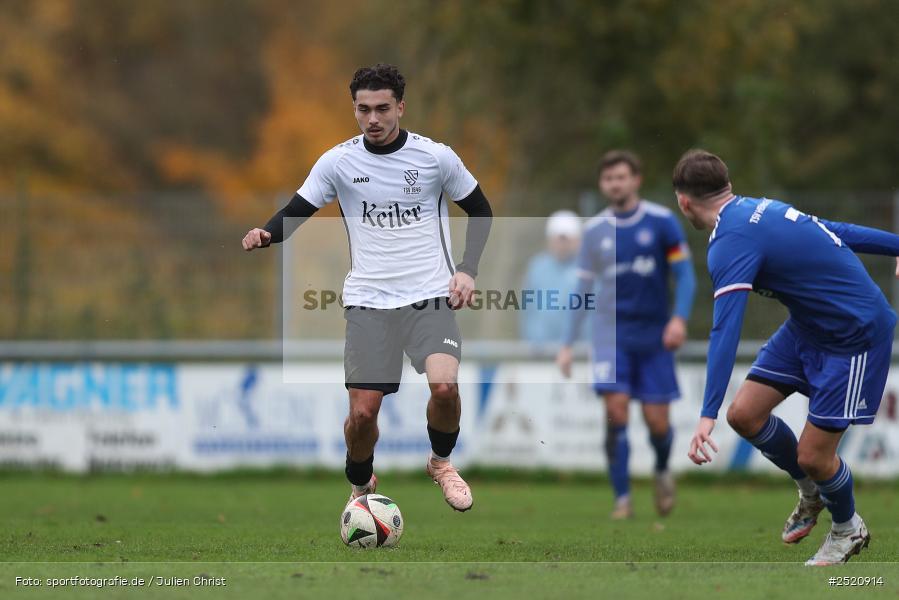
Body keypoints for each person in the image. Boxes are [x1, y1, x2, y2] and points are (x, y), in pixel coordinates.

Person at [241, 64, 492, 512]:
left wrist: (467, 269)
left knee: (444, 388)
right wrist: (267, 233)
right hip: (369, 302)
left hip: (430, 296)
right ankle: (360, 483)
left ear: (401, 107)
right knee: (362, 415)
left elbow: (481, 209)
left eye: (382, 108)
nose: (372, 119)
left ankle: (441, 463)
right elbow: (297, 209)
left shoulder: (435, 157)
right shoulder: (338, 162)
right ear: (354, 109)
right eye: (363, 109)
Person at [675, 149, 898, 565]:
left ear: (683, 202)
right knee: (744, 415)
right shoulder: (761, 208)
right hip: (808, 327)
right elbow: (837, 230)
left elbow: (725, 330)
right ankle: (811, 492)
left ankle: (848, 528)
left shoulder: (729, 243)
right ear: (727, 185)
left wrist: (706, 414)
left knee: (814, 456)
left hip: (854, 334)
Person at [557, 150, 696, 519]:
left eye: (621, 177)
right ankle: (622, 498)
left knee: (657, 422)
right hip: (610, 336)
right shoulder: (594, 231)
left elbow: (685, 275)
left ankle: (662, 469)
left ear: (636, 180)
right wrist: (567, 343)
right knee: (615, 413)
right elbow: (583, 289)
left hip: (654, 337)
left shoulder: (662, 222)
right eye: (608, 179)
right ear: (602, 185)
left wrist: (679, 319)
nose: (615, 184)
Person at [520, 210, 583, 346]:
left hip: (576, 352)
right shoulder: (536, 267)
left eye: (566, 239)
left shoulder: (587, 269)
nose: (562, 244)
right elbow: (527, 309)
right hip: (539, 351)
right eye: (558, 238)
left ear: (577, 240)